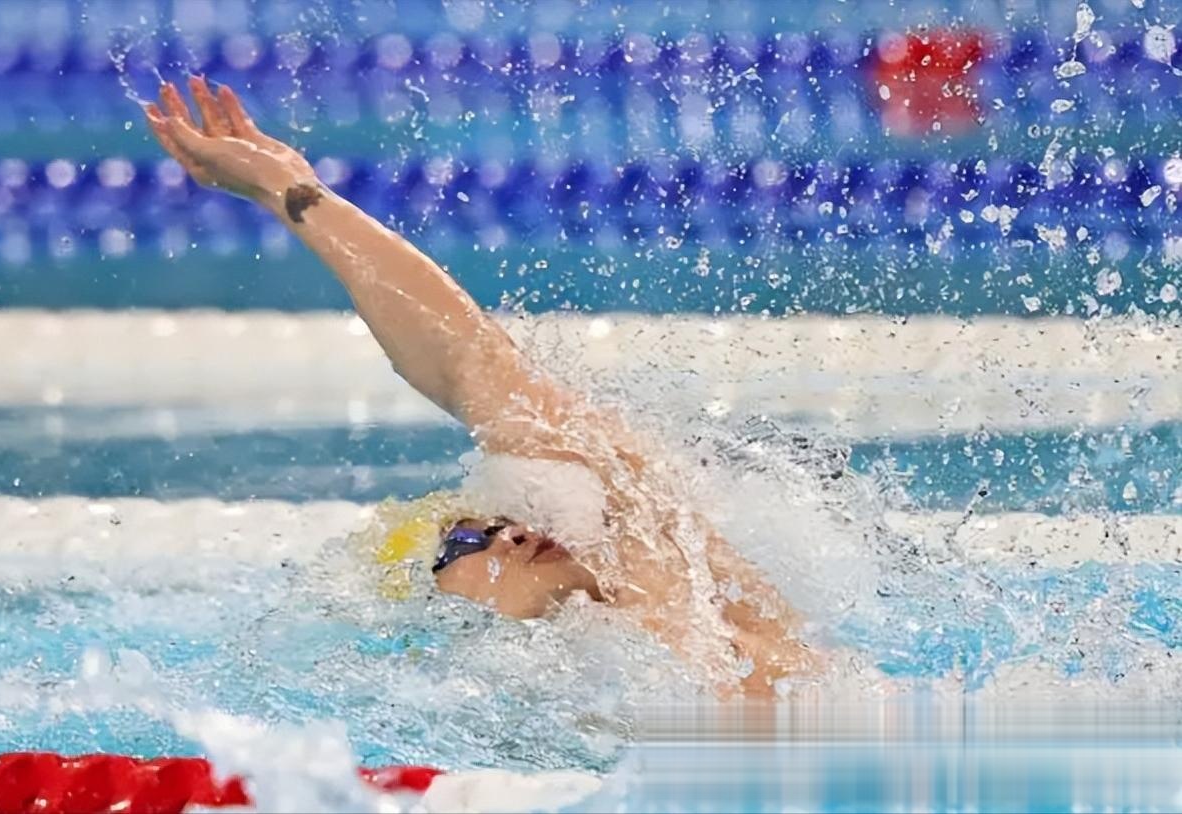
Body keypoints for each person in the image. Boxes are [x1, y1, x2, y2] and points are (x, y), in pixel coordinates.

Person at [144, 78, 818, 698]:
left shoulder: (698, 590)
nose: (512, 535)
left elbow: (473, 365)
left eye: (497, 523)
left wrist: (288, 189)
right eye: (463, 545)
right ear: (442, 610)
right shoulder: (584, 673)